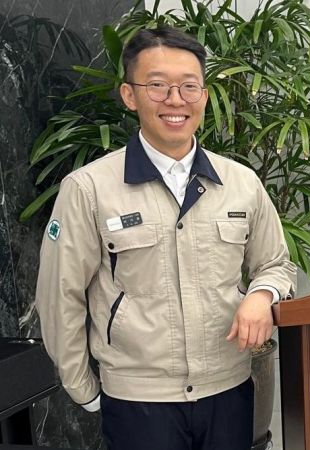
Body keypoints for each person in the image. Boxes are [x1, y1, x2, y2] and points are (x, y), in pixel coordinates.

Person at [34, 26, 296, 450]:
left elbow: (277, 264)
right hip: (139, 401)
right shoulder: (89, 188)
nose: (176, 100)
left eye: (188, 86)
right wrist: (84, 387)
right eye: (157, 86)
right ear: (129, 95)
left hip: (228, 391)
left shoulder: (241, 183)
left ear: (205, 95)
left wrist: (262, 295)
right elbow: (59, 294)